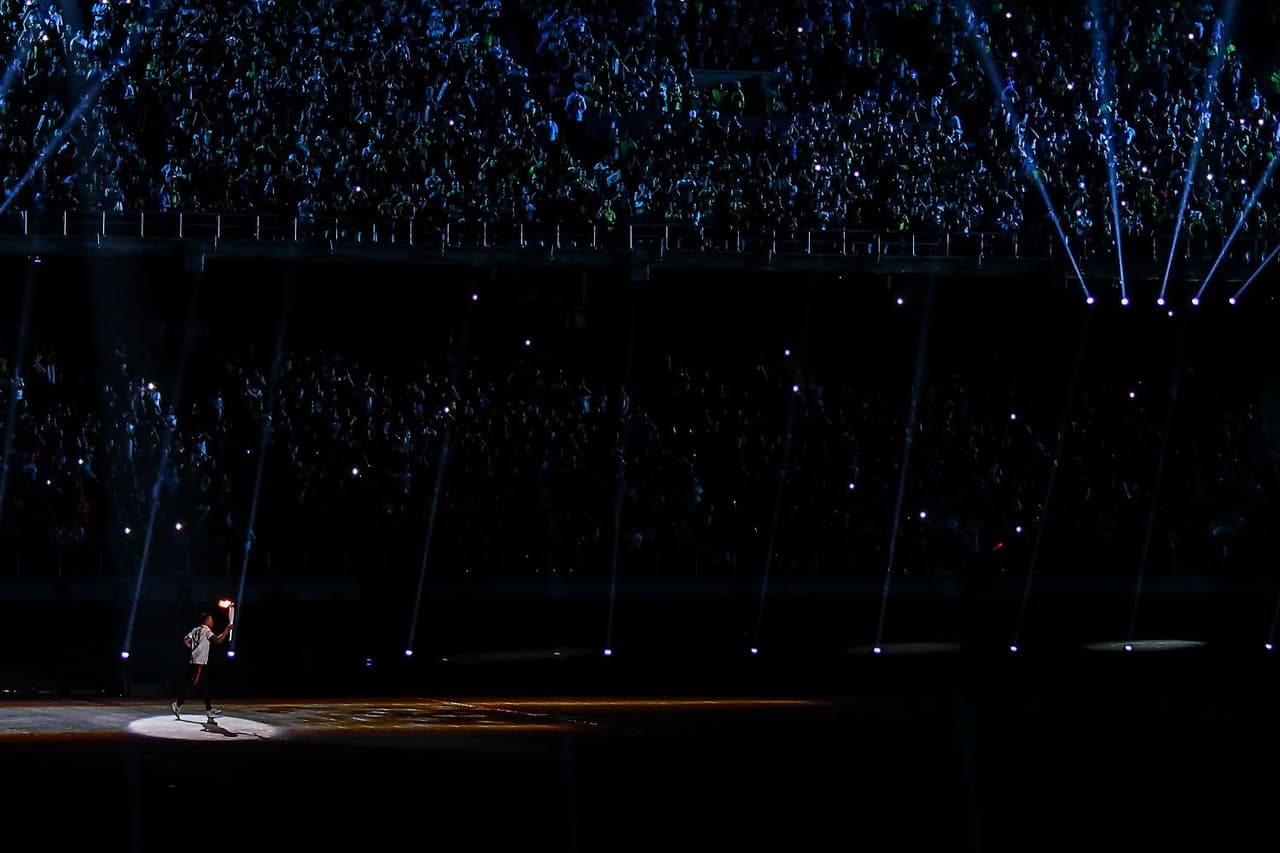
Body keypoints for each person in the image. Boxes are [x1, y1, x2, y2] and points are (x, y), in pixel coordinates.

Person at [171, 612, 231, 721]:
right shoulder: (206, 630)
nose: (212, 621)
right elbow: (218, 640)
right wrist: (227, 629)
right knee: (192, 685)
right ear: (206, 621)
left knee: (204, 687)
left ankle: (209, 710)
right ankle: (178, 703)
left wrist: (194, 650)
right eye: (210, 619)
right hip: (199, 663)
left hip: (196, 661)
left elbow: (185, 640)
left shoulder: (195, 630)